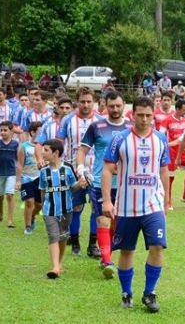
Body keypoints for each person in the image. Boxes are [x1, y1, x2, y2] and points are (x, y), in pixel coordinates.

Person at [102, 96, 171, 313]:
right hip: (125, 207)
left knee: (158, 246)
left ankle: (149, 293)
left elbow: (164, 170)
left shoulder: (160, 139)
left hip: (153, 205)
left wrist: (167, 201)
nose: (144, 119)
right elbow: (107, 169)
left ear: (153, 115)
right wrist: (106, 200)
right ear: (133, 115)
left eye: (148, 115)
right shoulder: (120, 139)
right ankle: (126, 293)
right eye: (140, 115)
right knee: (126, 251)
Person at [77, 90, 133, 278]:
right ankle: (107, 261)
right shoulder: (97, 126)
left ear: (124, 104)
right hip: (101, 182)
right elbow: (82, 150)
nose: (115, 109)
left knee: (116, 224)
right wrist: (80, 169)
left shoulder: (132, 127)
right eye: (111, 106)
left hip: (126, 184)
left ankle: (105, 253)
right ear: (104, 105)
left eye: (118, 105)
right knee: (103, 218)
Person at [57, 87, 103, 258]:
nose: (85, 105)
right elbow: (59, 143)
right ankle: (74, 240)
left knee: (96, 208)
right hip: (73, 170)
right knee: (76, 207)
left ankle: (93, 244)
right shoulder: (68, 120)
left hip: (96, 171)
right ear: (77, 102)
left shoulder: (101, 121)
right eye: (82, 101)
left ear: (94, 102)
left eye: (89, 101)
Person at [39, 138, 80, 279]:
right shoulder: (44, 171)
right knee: (53, 236)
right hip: (49, 210)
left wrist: (81, 184)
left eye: (46, 150)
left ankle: (59, 263)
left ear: (55, 153)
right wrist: (42, 206)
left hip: (66, 210)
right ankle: (55, 267)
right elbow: (43, 190)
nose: (42, 153)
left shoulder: (68, 169)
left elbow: (73, 187)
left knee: (63, 237)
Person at [160, 99, 185, 211]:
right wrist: (167, 145)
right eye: (184, 110)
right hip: (171, 153)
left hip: (183, 152)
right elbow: (160, 134)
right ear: (177, 109)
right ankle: (168, 202)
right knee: (170, 178)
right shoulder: (167, 120)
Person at [17, 121, 44, 235]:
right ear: (32, 132)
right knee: (29, 201)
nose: (43, 134)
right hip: (26, 177)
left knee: (39, 205)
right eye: (40, 131)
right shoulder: (24, 146)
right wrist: (18, 180)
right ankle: (28, 226)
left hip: (40, 178)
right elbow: (19, 164)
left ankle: (33, 216)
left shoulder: (45, 147)